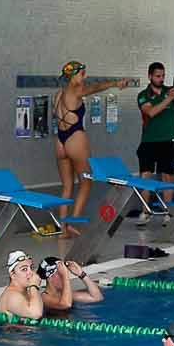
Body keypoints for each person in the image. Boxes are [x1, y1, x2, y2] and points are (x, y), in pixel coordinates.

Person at [53, 62, 136, 236]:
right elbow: (96, 87)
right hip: (75, 138)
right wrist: (115, 83)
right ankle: (73, 223)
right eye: (82, 74)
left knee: (67, 186)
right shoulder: (76, 91)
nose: (84, 77)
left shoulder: (58, 94)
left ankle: (62, 229)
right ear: (73, 76)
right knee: (85, 182)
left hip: (60, 141)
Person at [135, 62, 174, 210]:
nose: (161, 79)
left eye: (163, 76)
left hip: (168, 141)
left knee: (167, 176)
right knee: (145, 177)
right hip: (149, 141)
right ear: (150, 76)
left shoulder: (170, 90)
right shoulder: (143, 95)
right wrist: (169, 98)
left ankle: (167, 211)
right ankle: (145, 211)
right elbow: (151, 112)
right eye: (157, 76)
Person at [37, 255, 102, 312]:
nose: (64, 278)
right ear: (50, 277)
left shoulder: (64, 294)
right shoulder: (44, 297)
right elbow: (66, 304)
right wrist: (65, 276)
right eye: (61, 274)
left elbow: (97, 298)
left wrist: (82, 274)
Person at [0, 250, 47, 321]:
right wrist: (34, 286)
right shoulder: (12, 296)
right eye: (24, 269)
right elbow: (36, 314)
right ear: (13, 275)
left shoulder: (24, 292)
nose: (31, 272)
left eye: (31, 268)